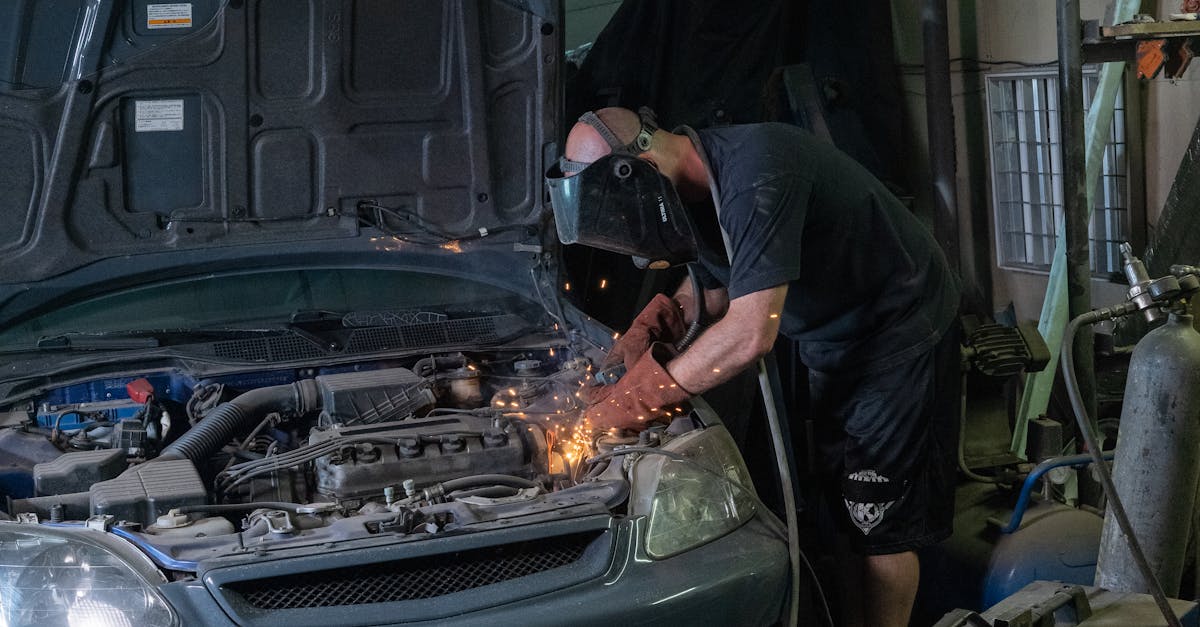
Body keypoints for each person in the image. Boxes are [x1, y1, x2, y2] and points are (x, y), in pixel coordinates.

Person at [545, 107, 962, 627]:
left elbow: (750, 333)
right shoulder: (693, 199)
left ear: (638, 168)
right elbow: (716, 290)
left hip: (897, 334)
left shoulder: (758, 173)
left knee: (878, 520)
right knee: (843, 514)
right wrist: (656, 324)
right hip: (834, 343)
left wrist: (633, 402)